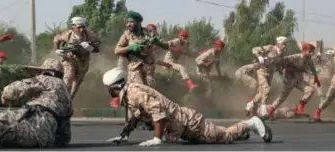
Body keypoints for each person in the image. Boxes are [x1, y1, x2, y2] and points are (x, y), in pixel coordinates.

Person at [101, 67, 272, 146]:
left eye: (108, 88)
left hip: (189, 123)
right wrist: (124, 136)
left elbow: (158, 112)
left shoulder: (135, 93)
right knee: (218, 135)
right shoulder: (130, 93)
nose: (108, 91)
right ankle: (241, 132)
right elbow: (136, 116)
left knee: (223, 137)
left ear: (113, 87)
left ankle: (251, 123)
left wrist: (156, 139)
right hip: (181, 127)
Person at [114, 11, 169, 88]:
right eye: (127, 22)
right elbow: (117, 50)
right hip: (134, 67)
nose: (128, 24)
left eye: (131, 22)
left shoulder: (150, 33)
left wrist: (158, 42)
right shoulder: (127, 34)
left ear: (138, 22)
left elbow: (166, 46)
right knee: (138, 89)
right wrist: (130, 47)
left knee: (150, 90)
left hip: (148, 69)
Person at [53, 16, 101, 100]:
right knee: (69, 76)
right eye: (79, 27)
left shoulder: (90, 35)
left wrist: (90, 48)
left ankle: (69, 100)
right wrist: (57, 50)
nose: (81, 30)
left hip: (83, 60)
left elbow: (97, 48)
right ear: (73, 27)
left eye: (83, 27)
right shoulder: (68, 34)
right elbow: (56, 39)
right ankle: (62, 98)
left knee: (77, 83)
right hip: (70, 58)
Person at [268, 43, 320, 118]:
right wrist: (286, 68)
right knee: (282, 98)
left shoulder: (309, 60)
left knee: (310, 90)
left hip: (299, 80)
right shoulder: (294, 57)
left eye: (312, 52)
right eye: (310, 51)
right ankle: (271, 110)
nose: (311, 54)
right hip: (289, 80)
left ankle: (300, 107)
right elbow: (281, 61)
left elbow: (312, 68)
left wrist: (316, 78)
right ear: (304, 51)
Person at [245, 36, 288, 118]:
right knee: (266, 88)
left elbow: (279, 64)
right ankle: (263, 110)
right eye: (283, 44)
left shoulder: (282, 53)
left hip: (270, 73)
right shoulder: (270, 48)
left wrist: (281, 72)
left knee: (261, 94)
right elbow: (254, 49)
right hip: (261, 71)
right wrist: (259, 57)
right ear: (278, 44)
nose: (284, 46)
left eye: (285, 44)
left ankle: (250, 105)